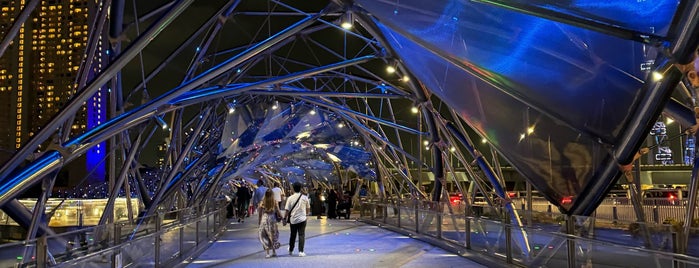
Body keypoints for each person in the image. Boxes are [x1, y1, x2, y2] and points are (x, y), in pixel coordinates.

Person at [285, 182, 310, 257]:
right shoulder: (305, 198)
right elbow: (308, 208)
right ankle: (301, 251)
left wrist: (284, 218)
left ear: (293, 188)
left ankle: (291, 250)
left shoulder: (290, 198)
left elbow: (287, 210)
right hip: (302, 219)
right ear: (300, 188)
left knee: (293, 235)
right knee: (301, 235)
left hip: (293, 219)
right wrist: (306, 215)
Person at [258, 189, 281, 258]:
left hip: (265, 219)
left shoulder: (262, 202)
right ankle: (274, 251)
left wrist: (259, 222)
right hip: (272, 219)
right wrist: (282, 218)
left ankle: (267, 252)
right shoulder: (274, 202)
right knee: (272, 235)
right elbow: (278, 212)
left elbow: (260, 213)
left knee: (264, 235)